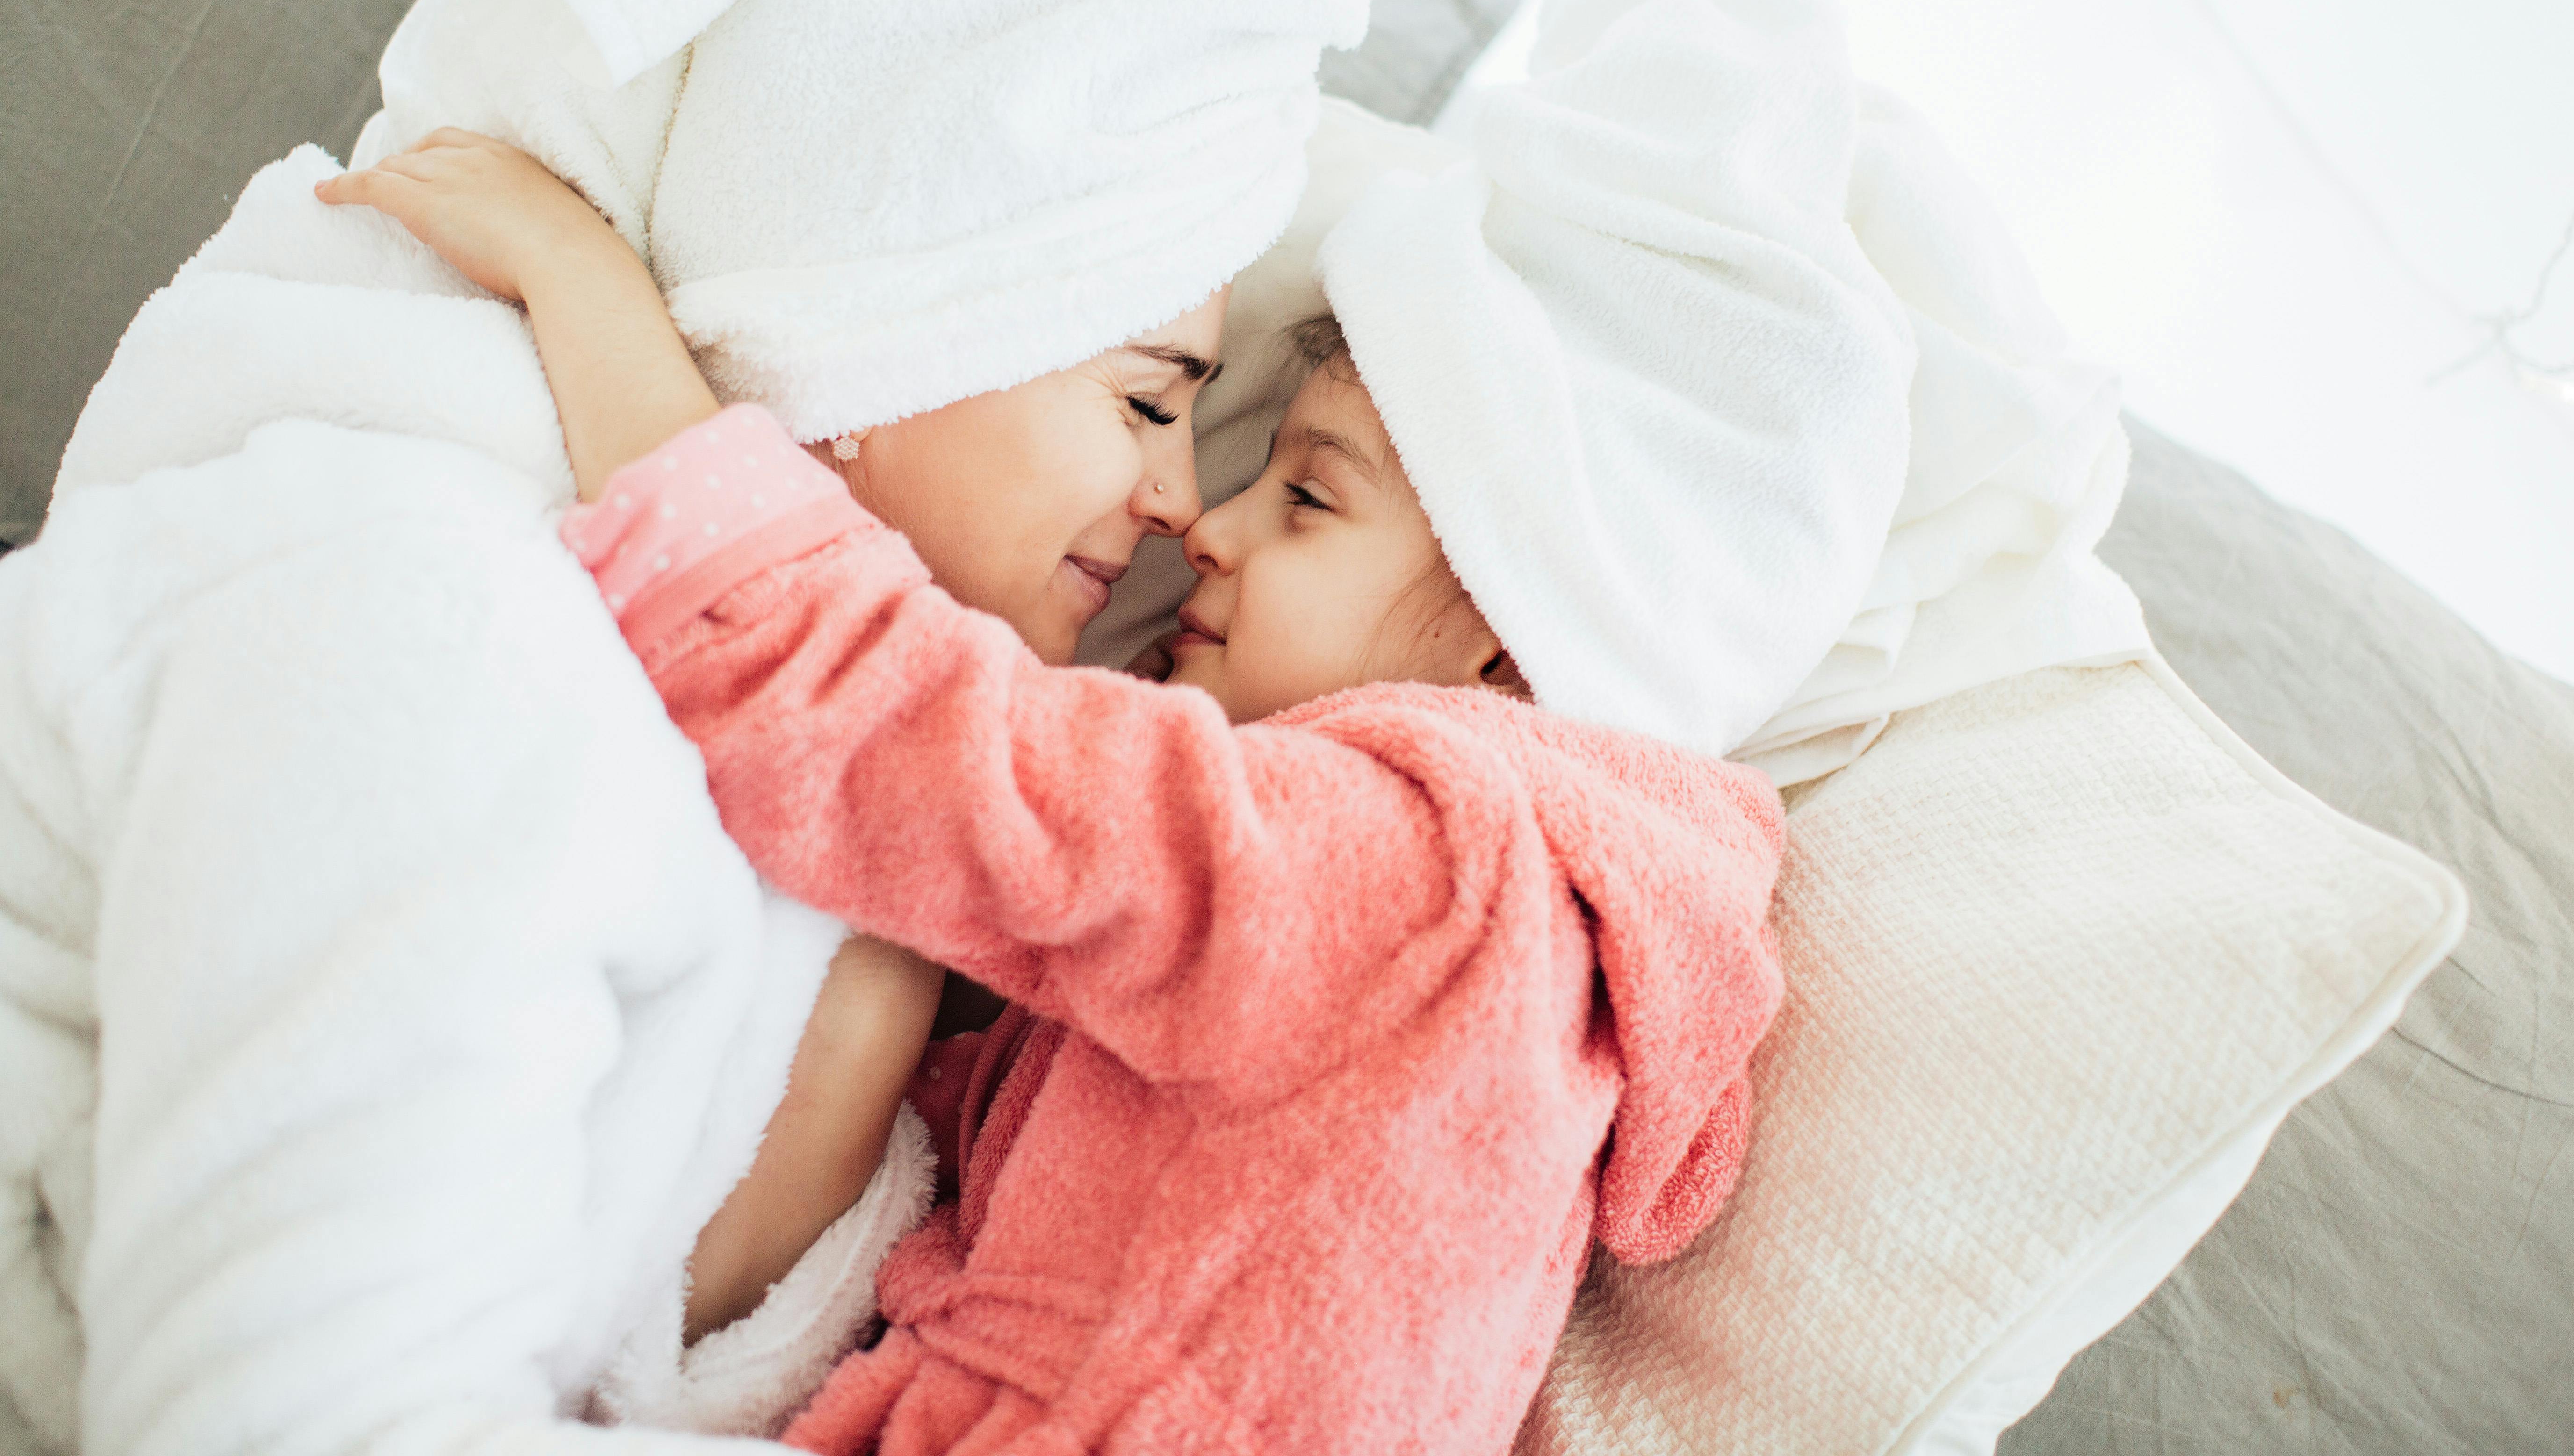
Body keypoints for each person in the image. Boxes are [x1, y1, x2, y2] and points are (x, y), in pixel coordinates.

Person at [318, 128, 1789, 1456]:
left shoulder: (1420, 873)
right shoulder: (1511, 965)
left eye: (1307, 500)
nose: (1204, 527)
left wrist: (584, 291)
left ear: (1500, 638)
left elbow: (900, 734)